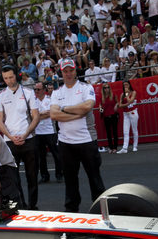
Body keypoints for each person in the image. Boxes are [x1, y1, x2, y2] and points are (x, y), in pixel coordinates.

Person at [49, 58, 105, 212]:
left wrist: (64, 109)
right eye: (65, 71)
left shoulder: (86, 88)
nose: (68, 73)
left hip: (87, 141)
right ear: (61, 72)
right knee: (70, 181)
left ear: (75, 71)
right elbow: (53, 114)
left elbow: (87, 106)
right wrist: (76, 113)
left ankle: (102, 211)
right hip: (66, 143)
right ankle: (71, 213)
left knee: (95, 179)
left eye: (71, 70)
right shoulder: (56, 92)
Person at [0, 65, 40, 209]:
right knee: (13, 178)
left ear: (17, 75)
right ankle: (21, 205)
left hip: (29, 139)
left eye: (11, 77)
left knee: (32, 176)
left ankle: (33, 206)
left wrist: (25, 134)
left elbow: (36, 117)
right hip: (10, 142)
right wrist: (10, 136)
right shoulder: (0, 95)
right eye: (5, 78)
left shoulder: (28, 92)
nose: (8, 80)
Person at [33, 82, 62, 183]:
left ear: (43, 90)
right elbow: (32, 116)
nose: (36, 91)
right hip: (38, 132)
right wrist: (42, 114)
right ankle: (45, 176)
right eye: (35, 90)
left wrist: (38, 115)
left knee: (56, 154)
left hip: (50, 131)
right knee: (41, 156)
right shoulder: (33, 101)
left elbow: (51, 113)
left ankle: (59, 174)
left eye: (38, 89)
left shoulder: (49, 100)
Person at [119, 80, 139, 154]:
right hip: (126, 114)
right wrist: (126, 104)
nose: (125, 86)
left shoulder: (133, 92)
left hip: (133, 112)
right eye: (124, 85)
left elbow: (131, 101)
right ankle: (125, 148)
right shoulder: (122, 94)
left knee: (134, 130)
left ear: (129, 85)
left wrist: (127, 95)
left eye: (127, 85)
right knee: (125, 131)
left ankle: (135, 146)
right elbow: (120, 105)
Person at [99, 83, 120, 153]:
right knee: (108, 133)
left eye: (107, 87)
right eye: (105, 88)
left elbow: (118, 103)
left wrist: (116, 105)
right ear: (103, 89)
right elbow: (100, 107)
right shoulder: (102, 97)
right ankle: (110, 147)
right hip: (106, 116)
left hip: (114, 116)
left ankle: (115, 147)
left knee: (114, 132)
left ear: (109, 88)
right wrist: (100, 109)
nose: (106, 89)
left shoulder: (113, 95)